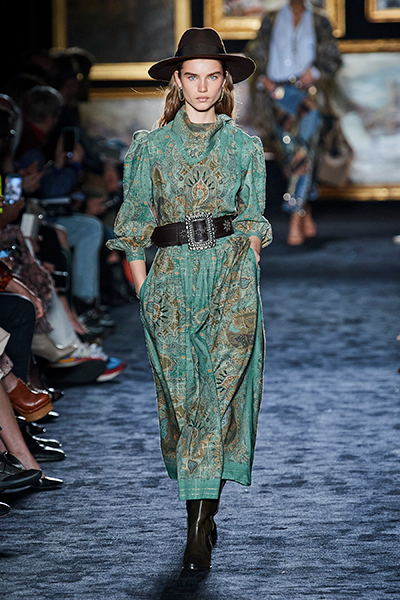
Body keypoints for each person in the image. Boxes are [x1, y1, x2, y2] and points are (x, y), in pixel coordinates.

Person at [108, 27, 272, 571]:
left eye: (212, 76)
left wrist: (247, 267)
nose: (203, 87)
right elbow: (133, 225)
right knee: (185, 406)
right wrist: (143, 290)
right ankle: (202, 512)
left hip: (231, 280)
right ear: (177, 81)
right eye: (192, 76)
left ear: (225, 82)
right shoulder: (150, 148)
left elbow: (252, 220)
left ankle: (197, 530)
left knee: (215, 403)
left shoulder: (245, 147)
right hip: (172, 284)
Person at [246, 0, 342, 245]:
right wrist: (264, 79)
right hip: (278, 95)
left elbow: (333, 57)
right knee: (291, 152)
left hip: (308, 94)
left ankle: (294, 217)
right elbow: (254, 54)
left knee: (303, 151)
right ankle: (305, 209)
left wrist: (316, 72)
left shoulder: (319, 20)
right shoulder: (271, 19)